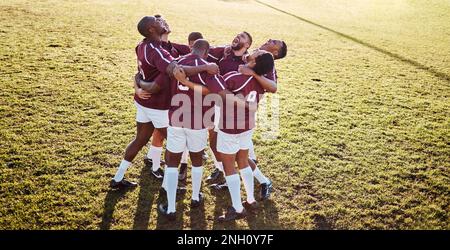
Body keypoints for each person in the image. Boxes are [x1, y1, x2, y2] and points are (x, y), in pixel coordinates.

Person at [110, 16, 218, 189]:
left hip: (143, 103)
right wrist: (205, 67)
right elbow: (177, 71)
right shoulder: (157, 51)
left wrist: (139, 85)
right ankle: (169, 186)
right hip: (158, 106)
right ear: (152, 29)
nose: (163, 22)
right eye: (158, 21)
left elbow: (142, 74)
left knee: (140, 139)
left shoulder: (142, 45)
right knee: (176, 146)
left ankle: (117, 179)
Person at [216, 51, 275, 222]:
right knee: (243, 161)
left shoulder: (235, 77)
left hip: (230, 126)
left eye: (257, 53)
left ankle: (237, 208)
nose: (254, 51)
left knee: (229, 165)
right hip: (247, 125)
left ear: (254, 61)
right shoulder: (259, 80)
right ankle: (250, 199)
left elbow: (217, 90)